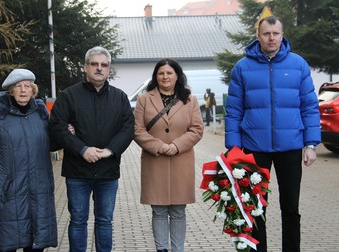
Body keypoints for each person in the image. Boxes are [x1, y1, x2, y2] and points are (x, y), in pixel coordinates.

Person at [225, 16, 320, 252]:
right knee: (256, 208)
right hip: (254, 148)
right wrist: (234, 148)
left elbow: (309, 106)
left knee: (290, 208)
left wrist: (311, 144)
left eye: (276, 33)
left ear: (282, 35)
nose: (271, 38)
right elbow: (234, 111)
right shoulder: (242, 67)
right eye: (266, 33)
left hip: (290, 146)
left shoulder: (298, 65)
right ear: (258, 35)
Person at [49, 46, 134, 252]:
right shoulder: (68, 96)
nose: (99, 68)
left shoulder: (120, 98)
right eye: (94, 64)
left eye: (103, 65)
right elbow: (57, 127)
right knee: (78, 220)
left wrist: (110, 151)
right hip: (77, 171)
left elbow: (128, 128)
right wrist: (82, 149)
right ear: (85, 67)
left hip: (107, 171)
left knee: (105, 221)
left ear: (108, 69)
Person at [0, 69, 58, 252]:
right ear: (11, 90)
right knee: (6, 243)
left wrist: (67, 133)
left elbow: (51, 143)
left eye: (27, 86)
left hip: (38, 188)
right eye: (18, 86)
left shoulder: (41, 115)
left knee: (35, 243)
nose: (23, 90)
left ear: (33, 90)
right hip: (7, 189)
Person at [134, 58, 204, 252]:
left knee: (178, 211)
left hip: (181, 160)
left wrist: (176, 145)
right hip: (154, 160)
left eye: (169, 73)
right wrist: (159, 146)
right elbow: (138, 130)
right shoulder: (144, 99)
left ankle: (177, 249)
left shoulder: (190, 100)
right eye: (161, 73)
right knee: (158, 210)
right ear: (156, 76)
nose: (165, 77)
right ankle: (162, 249)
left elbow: (197, 129)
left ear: (177, 75)